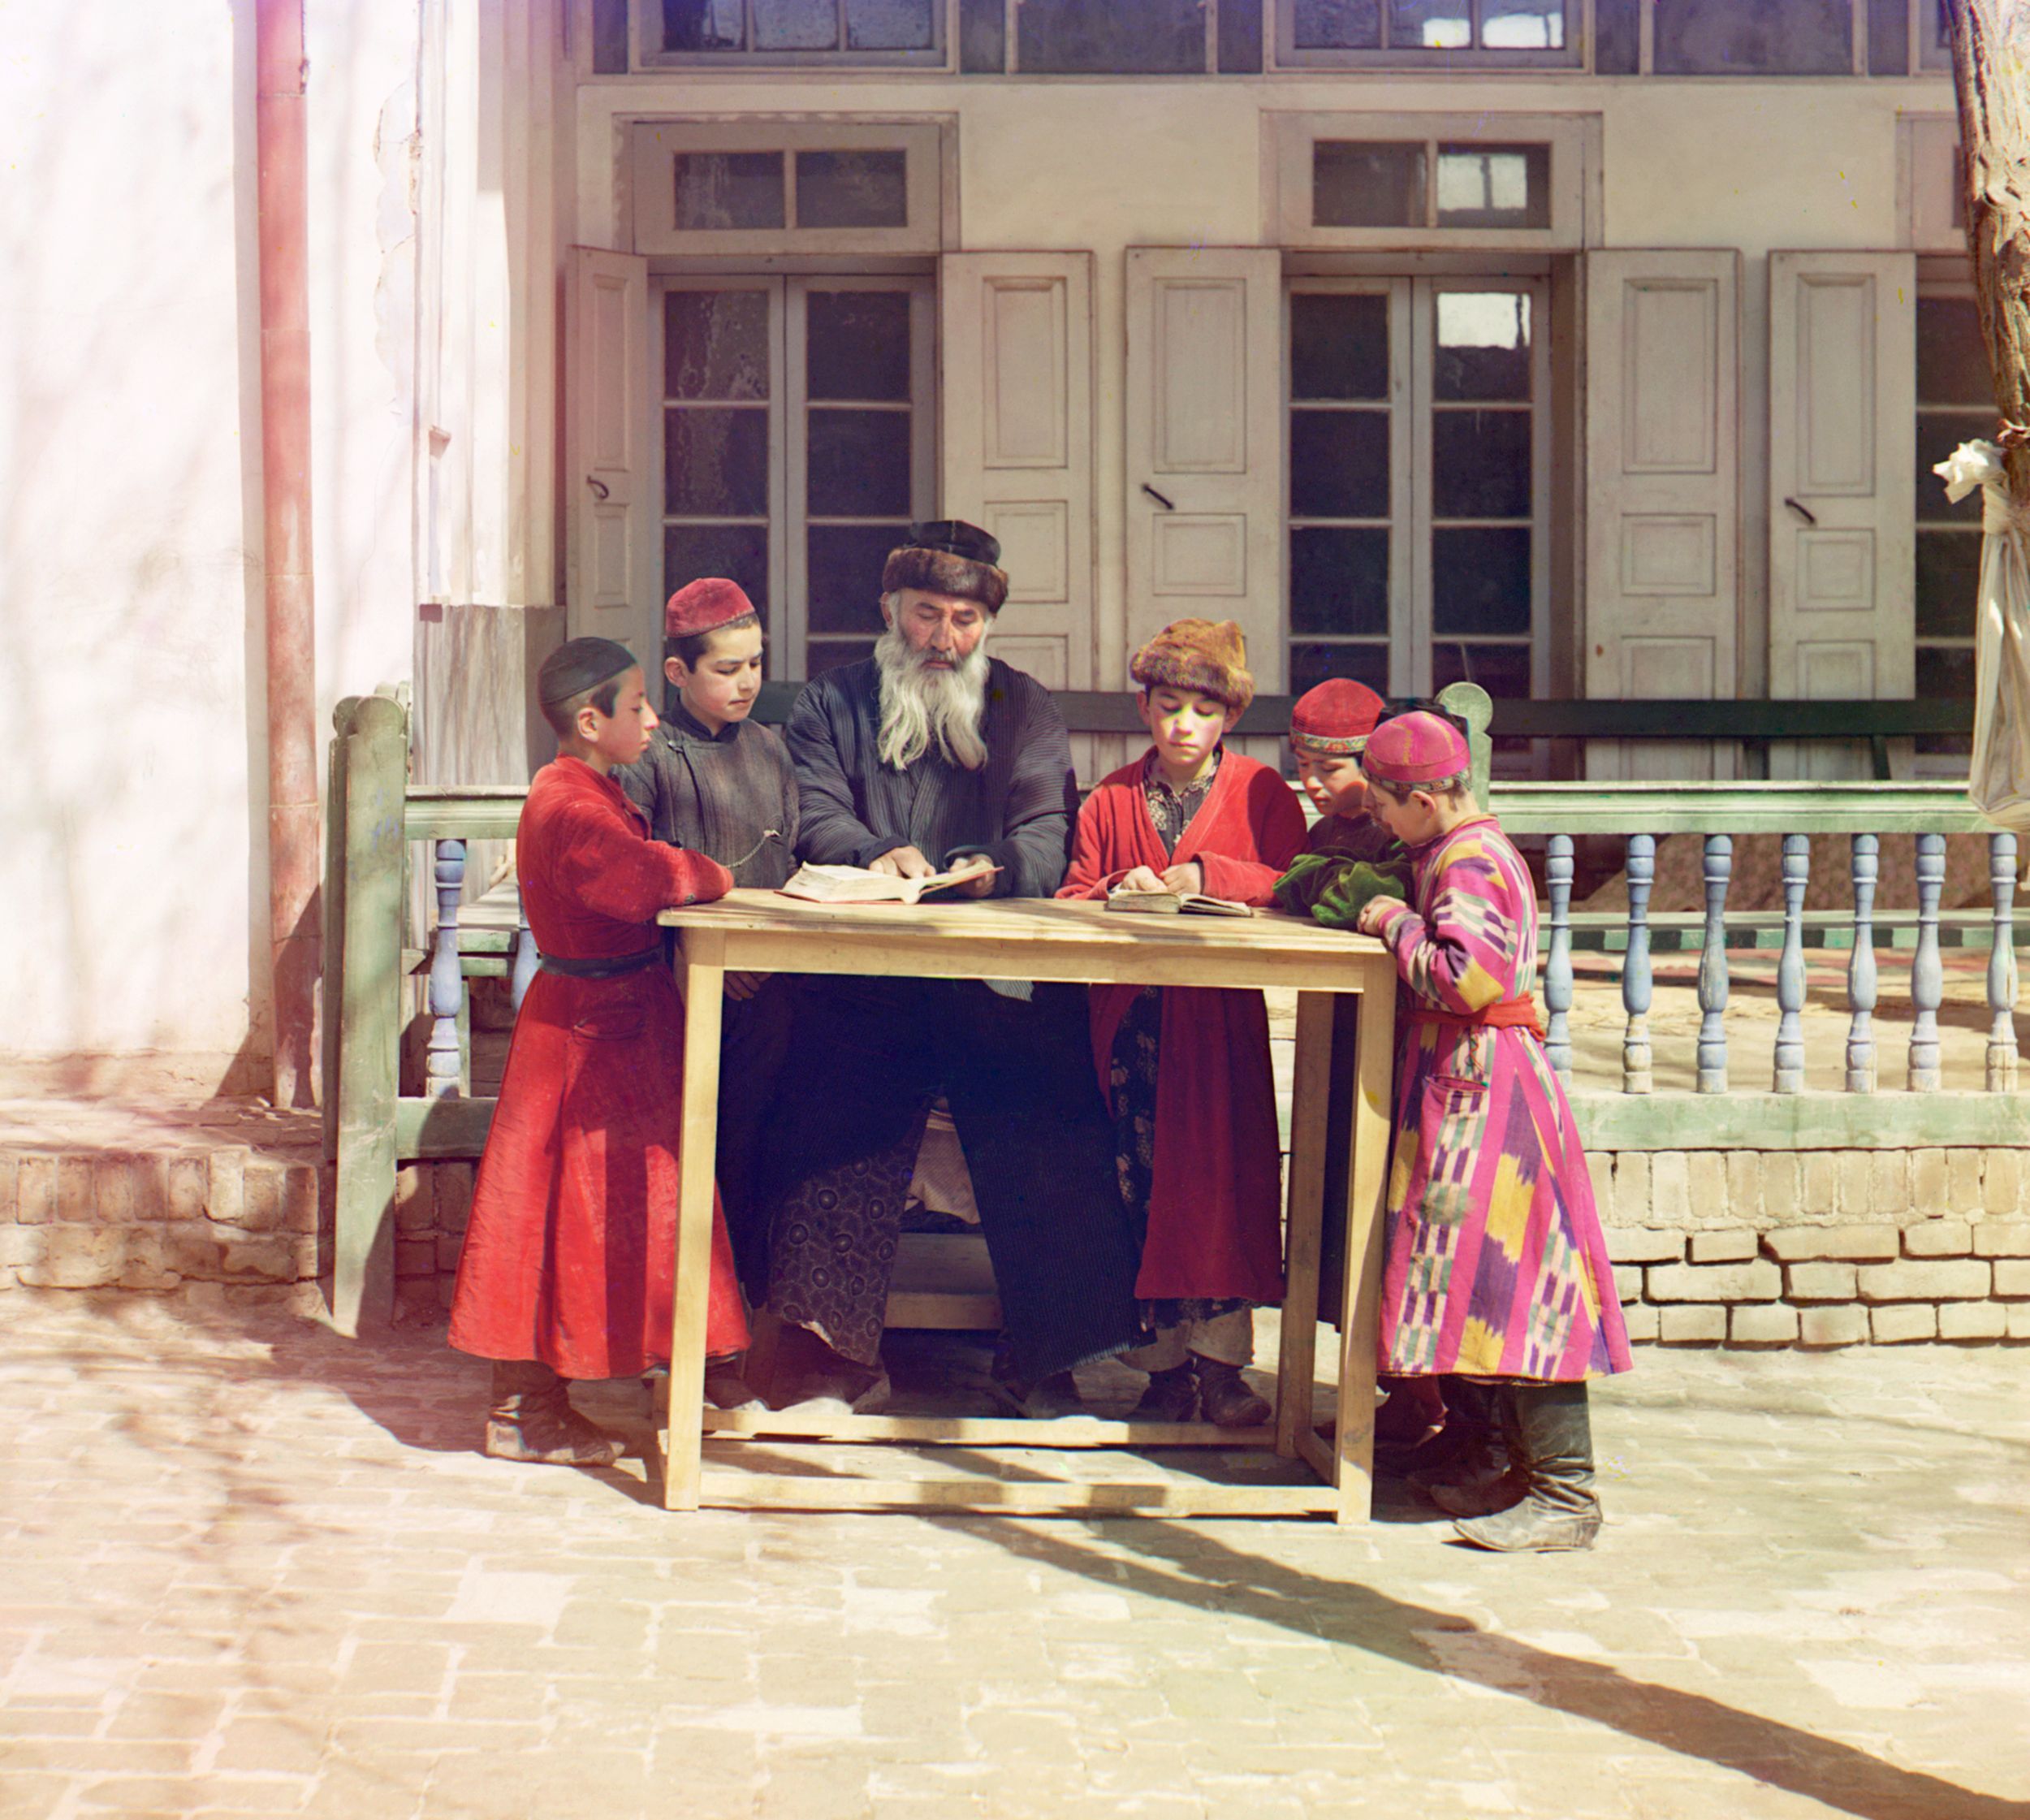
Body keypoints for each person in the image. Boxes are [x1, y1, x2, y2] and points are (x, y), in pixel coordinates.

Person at [756, 521, 1147, 1416]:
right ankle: (827, 1355)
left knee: (1047, 1119)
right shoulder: (829, 704)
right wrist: (875, 853)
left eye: (964, 620)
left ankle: (1047, 1355)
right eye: (926, 615)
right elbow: (816, 815)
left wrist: (995, 867)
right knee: (828, 1116)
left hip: (994, 972)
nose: (942, 639)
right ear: (889, 611)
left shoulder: (1027, 708)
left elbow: (1049, 829)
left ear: (986, 626)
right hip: (862, 976)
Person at [447, 637, 752, 1467]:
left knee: (598, 1208)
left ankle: (632, 1374)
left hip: (609, 1022)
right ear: (590, 720)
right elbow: (646, 880)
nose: (653, 720)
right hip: (589, 1035)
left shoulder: (582, 787)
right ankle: (524, 1412)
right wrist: (710, 872)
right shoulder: (569, 805)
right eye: (637, 706)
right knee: (558, 1212)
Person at [1354, 711, 1632, 1551]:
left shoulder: (1470, 859)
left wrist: (1390, 922)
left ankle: (1564, 1495)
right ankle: (1490, 1458)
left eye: (1385, 804)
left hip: (1489, 1092)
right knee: (1469, 1284)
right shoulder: (1448, 850)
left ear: (1426, 797)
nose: (1380, 819)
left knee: (1517, 1288)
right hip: (1464, 1083)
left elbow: (1464, 977)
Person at [1056, 620, 1305, 1426]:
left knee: (1220, 1191)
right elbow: (1071, 897)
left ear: (1228, 717)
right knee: (1138, 1187)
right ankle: (1158, 1370)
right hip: (1130, 1028)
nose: (1183, 727)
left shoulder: (1260, 794)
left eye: (1202, 711)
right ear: (1144, 707)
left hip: (1217, 1027)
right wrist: (1115, 892)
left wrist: (1207, 875)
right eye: (1168, 706)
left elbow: (1295, 881)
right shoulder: (1110, 798)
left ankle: (1222, 1368)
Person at [615, 577, 798, 1297]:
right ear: (676, 673)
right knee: (696, 1156)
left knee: (761, 1152)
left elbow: (796, 856)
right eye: (727, 668)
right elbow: (634, 877)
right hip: (685, 996)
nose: (747, 682)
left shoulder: (771, 750)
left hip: (775, 991)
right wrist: (701, 960)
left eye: (756, 663)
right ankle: (683, 1321)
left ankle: (745, 1315)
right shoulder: (651, 758)